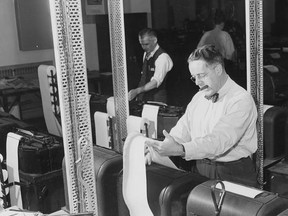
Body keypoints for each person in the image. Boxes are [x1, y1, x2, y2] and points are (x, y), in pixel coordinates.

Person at [146, 44, 258, 187]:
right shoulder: (199, 97)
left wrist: (182, 149)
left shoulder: (241, 100)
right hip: (200, 168)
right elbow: (183, 129)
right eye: (194, 77)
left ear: (218, 69)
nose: (198, 83)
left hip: (233, 174)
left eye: (202, 76)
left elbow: (219, 141)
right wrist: (159, 150)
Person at [128, 28, 173, 103]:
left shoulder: (163, 57)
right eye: (141, 44)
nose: (144, 47)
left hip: (157, 99)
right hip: (143, 98)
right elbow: (144, 76)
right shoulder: (146, 53)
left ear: (155, 40)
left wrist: (137, 91)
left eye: (146, 44)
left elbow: (155, 82)